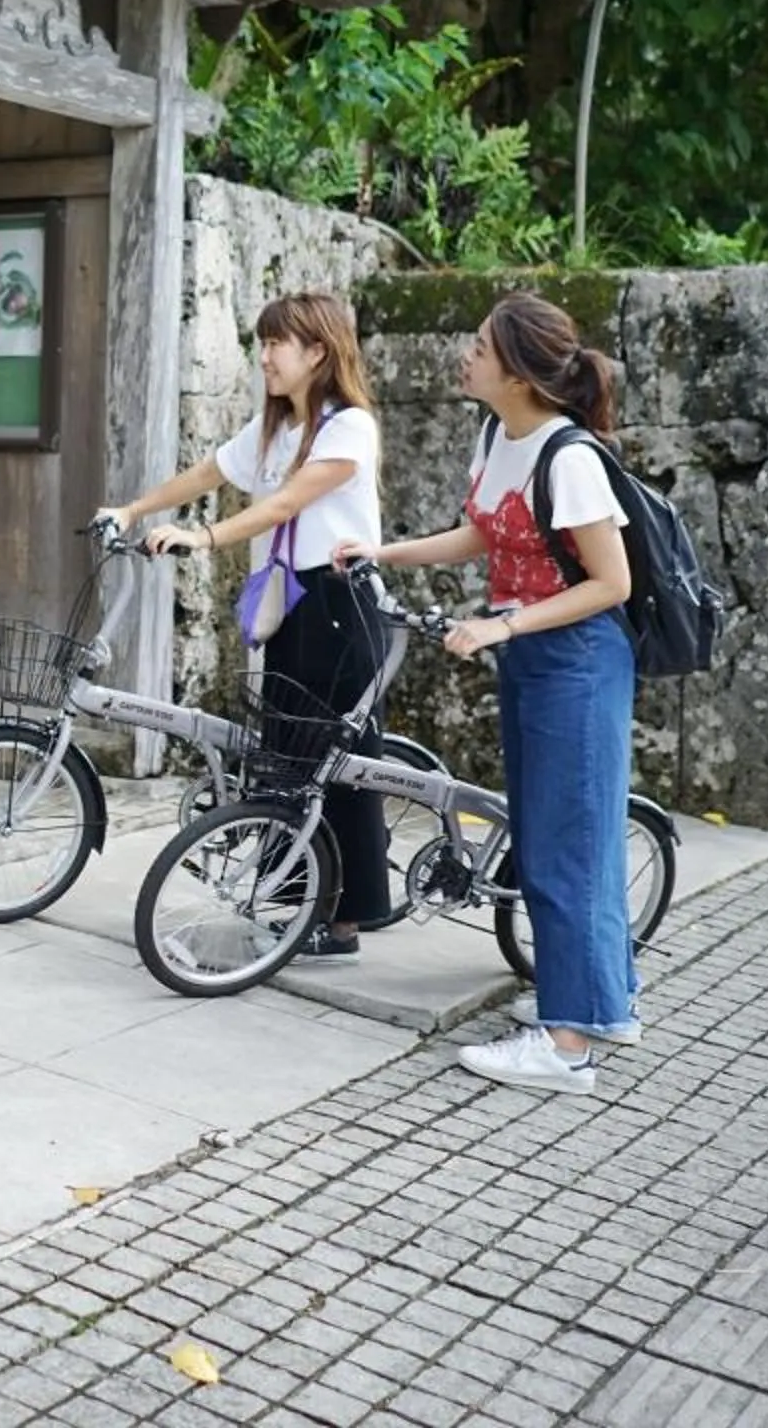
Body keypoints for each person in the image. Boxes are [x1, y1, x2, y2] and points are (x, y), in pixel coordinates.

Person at [335, 292, 635, 1097]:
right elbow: (484, 532)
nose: (465, 355)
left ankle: (567, 1046)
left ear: (519, 370)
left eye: (479, 346)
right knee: (551, 838)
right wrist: (384, 552)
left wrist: (501, 628)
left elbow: (612, 582)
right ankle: (599, 1005)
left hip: (577, 661)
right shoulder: (500, 436)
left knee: (567, 849)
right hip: (535, 657)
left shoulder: (569, 456)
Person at [99, 290, 388, 961]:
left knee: (336, 768)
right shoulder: (277, 428)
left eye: (275, 344)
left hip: (340, 605)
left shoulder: (348, 427)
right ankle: (293, 904)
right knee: (287, 757)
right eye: (261, 343)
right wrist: (133, 508)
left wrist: (205, 538)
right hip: (292, 606)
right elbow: (209, 471)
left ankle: (344, 921)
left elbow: (288, 500)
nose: (264, 357)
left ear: (318, 350)